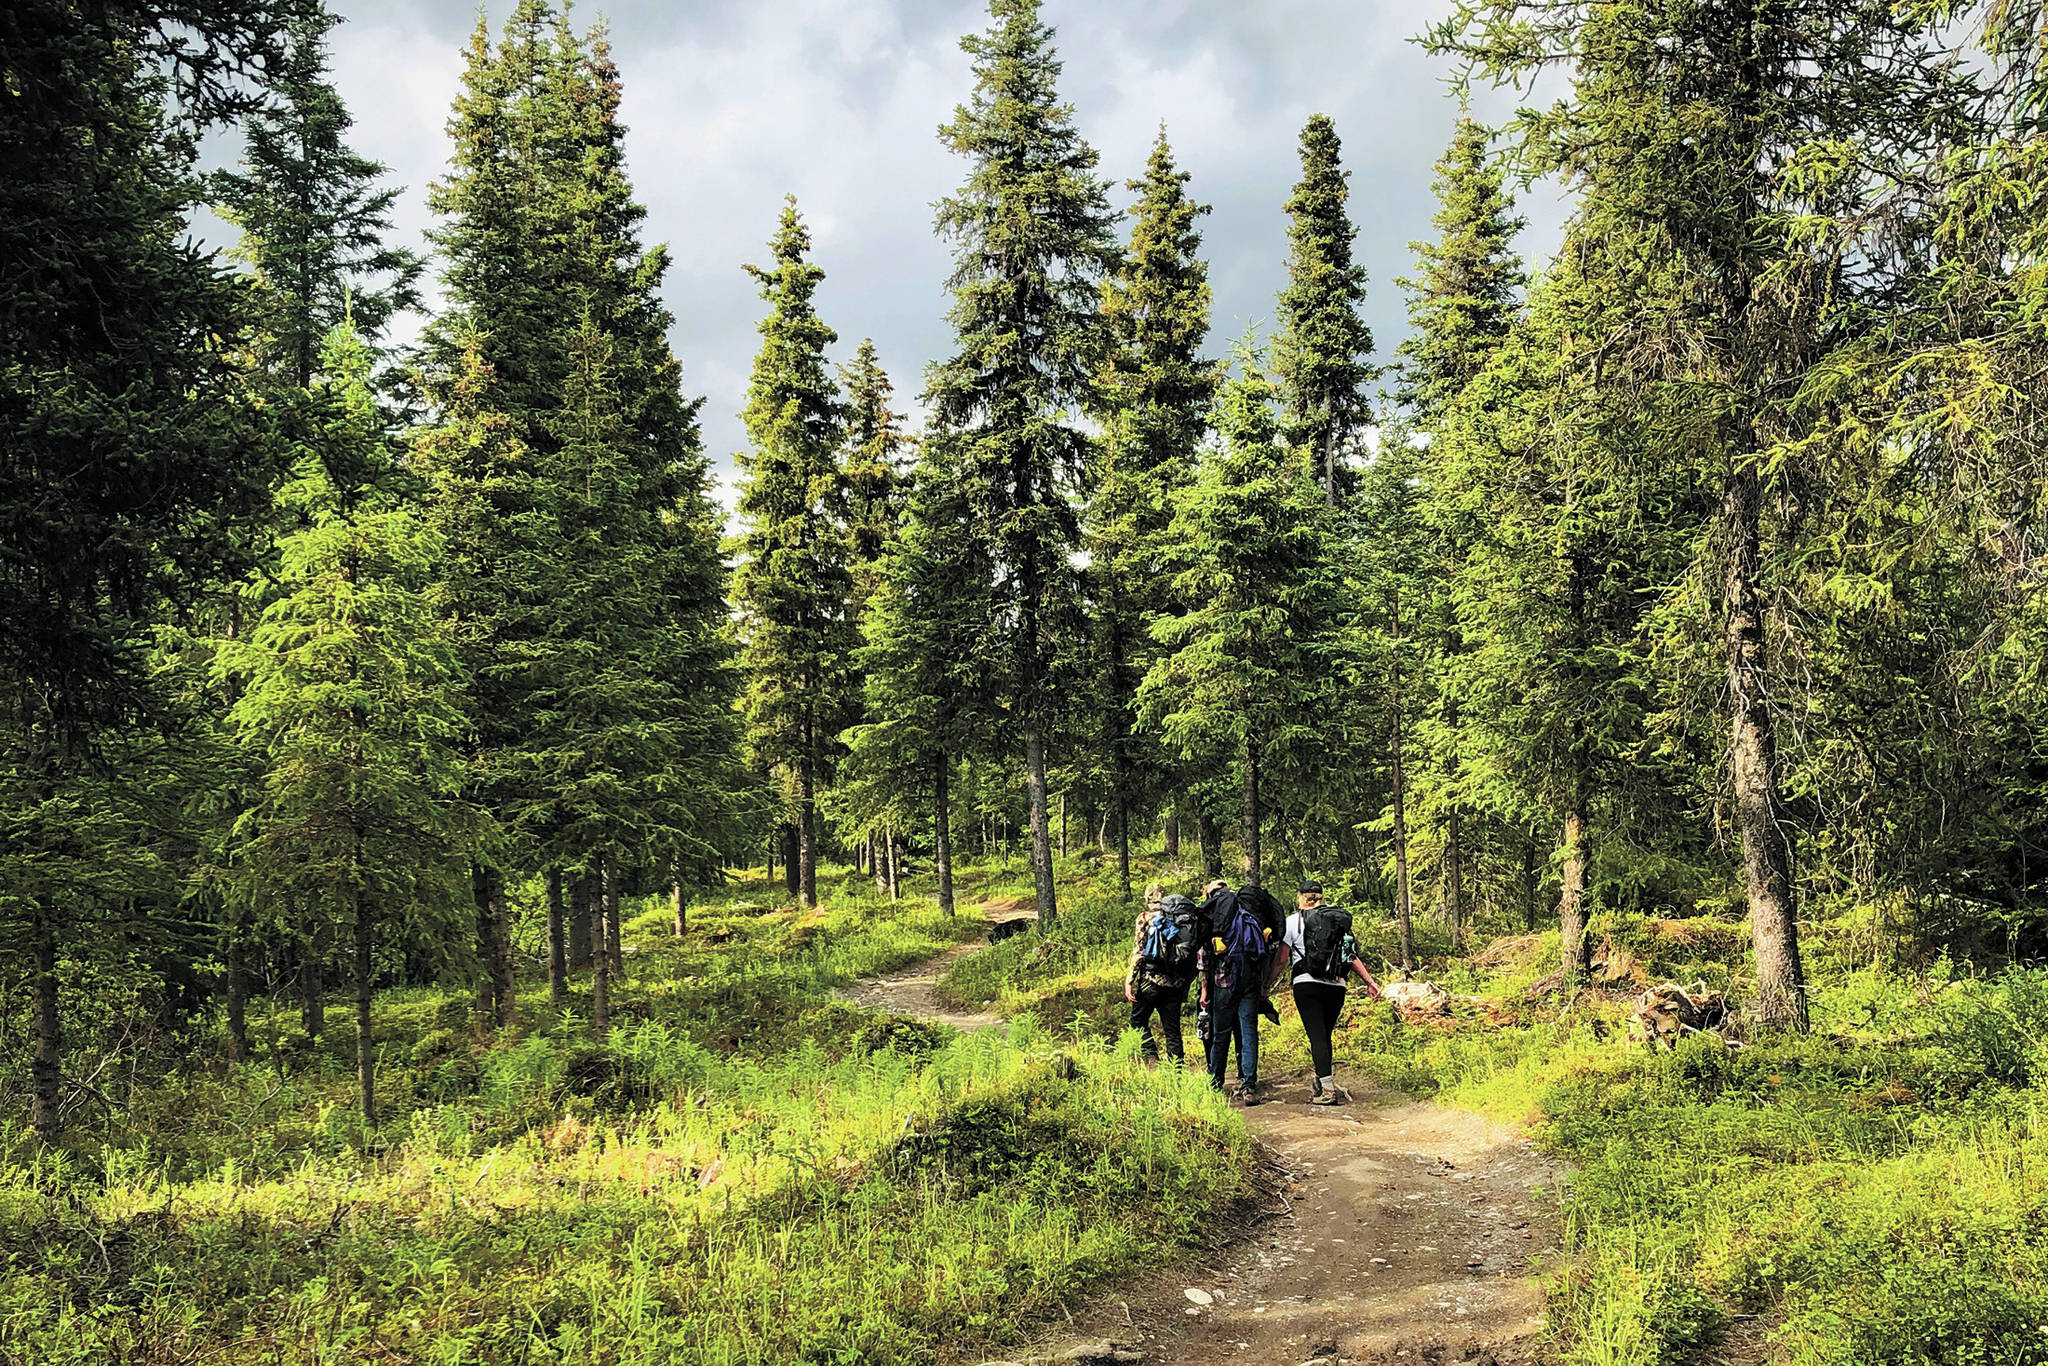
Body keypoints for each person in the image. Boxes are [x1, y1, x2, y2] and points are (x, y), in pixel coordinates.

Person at [1269, 880, 1382, 1105]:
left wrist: (1266, 984)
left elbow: (1281, 959)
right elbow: (1351, 956)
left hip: (1306, 983)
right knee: (1324, 1034)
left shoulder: (1293, 921)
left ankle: (1328, 1090)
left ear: (1301, 897)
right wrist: (1369, 981)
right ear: (1321, 897)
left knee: (1317, 1036)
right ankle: (1322, 1081)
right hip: (1337, 985)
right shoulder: (1336, 922)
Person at [1197, 878, 1278, 1105]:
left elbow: (1203, 959)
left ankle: (1215, 1083)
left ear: (1210, 895)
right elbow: (1264, 952)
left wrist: (1204, 990)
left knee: (1220, 1034)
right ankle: (1249, 1086)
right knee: (1249, 1032)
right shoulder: (1250, 913)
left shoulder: (1213, 916)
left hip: (1222, 984)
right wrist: (1262, 984)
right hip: (1249, 984)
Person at [1126, 883, 1199, 1064]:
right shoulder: (1176, 917)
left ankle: (1151, 1061)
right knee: (1172, 1029)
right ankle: (1177, 1070)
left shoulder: (1144, 918)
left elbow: (1139, 951)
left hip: (1150, 981)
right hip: (1175, 983)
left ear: (1147, 898)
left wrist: (1130, 980)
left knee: (1138, 1021)